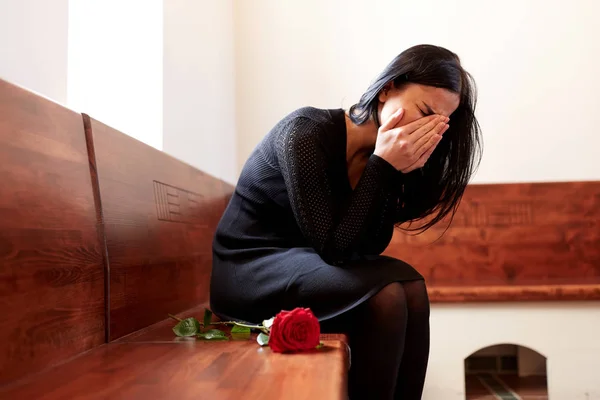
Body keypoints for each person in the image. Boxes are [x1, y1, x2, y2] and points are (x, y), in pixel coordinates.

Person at [210, 44, 482, 399]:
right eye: (424, 111)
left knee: (411, 286)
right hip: (249, 269)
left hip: (308, 269)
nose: (428, 129)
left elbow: (366, 247)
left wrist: (387, 170)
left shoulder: (387, 157)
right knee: (385, 294)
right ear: (387, 89)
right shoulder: (306, 132)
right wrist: (383, 167)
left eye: (439, 123)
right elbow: (334, 248)